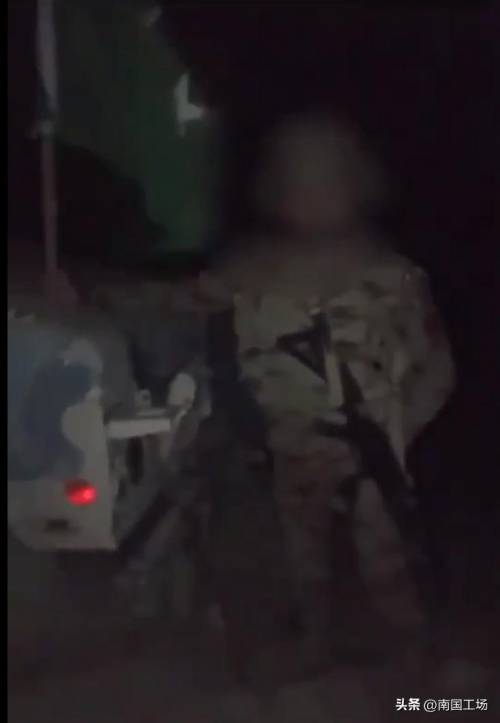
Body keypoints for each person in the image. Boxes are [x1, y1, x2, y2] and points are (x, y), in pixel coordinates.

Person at [196, 112, 456, 675]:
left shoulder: (395, 278)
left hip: (376, 456)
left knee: (390, 566)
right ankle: (312, 645)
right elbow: (174, 307)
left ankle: (421, 680)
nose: (311, 194)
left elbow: (437, 366)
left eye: (326, 178)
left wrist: (399, 430)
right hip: (292, 448)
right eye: (299, 179)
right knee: (301, 560)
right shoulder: (248, 272)